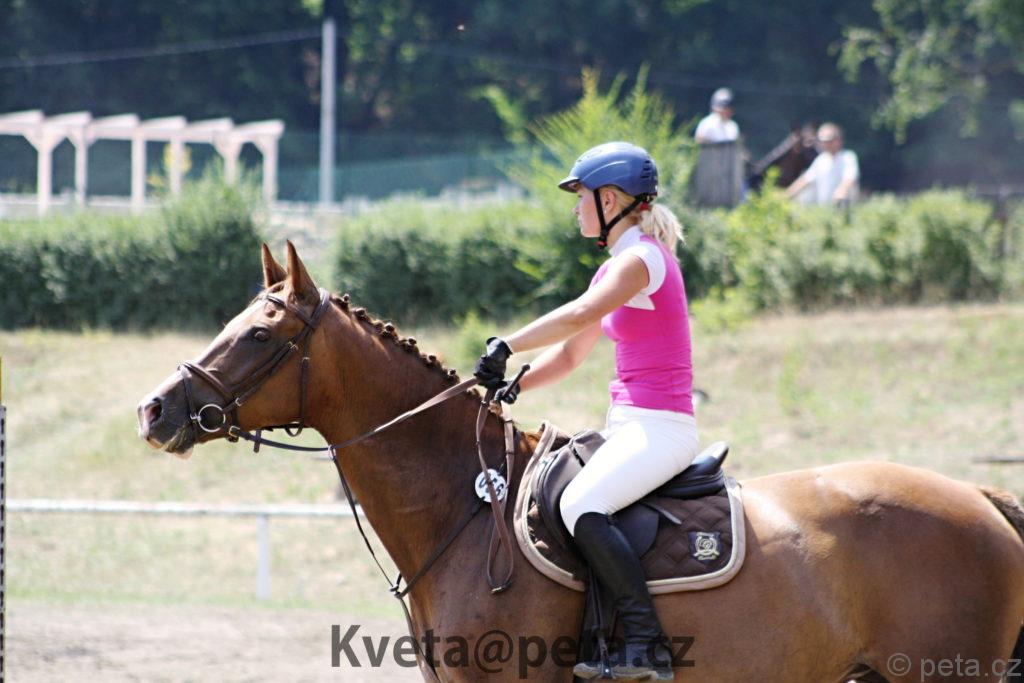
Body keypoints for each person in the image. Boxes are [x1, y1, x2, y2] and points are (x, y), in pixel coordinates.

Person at [474, 142, 698, 681]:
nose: (576, 208)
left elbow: (579, 314)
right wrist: (514, 385)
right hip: (628, 425)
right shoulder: (614, 269)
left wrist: (508, 343)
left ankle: (646, 645)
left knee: (582, 503)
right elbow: (572, 352)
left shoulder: (642, 260)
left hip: (662, 428)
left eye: (581, 197)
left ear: (611, 200)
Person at [785, 122, 859, 205]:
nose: (825, 144)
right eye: (822, 141)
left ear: (838, 140)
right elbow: (805, 180)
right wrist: (785, 196)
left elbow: (849, 178)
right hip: (825, 208)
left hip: (843, 208)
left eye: (829, 141)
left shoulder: (847, 157)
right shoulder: (821, 160)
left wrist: (841, 192)